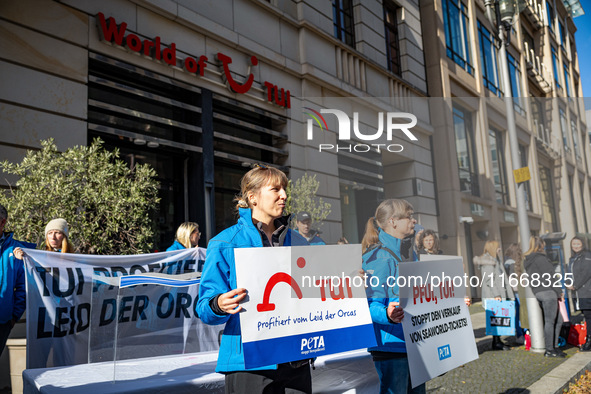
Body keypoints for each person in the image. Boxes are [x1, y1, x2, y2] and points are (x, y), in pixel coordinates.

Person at [196, 165, 310, 394]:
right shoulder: (225, 242)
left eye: (285, 189)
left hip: (295, 359)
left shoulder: (300, 242)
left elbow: (313, 294)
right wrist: (218, 304)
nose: (284, 195)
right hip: (250, 363)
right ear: (253, 197)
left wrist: (343, 280)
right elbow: (204, 307)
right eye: (276, 189)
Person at [361, 198, 424, 394]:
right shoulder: (379, 258)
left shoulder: (410, 254)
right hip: (391, 347)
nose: (414, 221)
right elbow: (369, 305)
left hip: (413, 343)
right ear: (393, 222)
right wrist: (388, 315)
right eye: (409, 217)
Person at [0, 204, 35, 353]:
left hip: (2, 321)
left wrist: (14, 316)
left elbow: (24, 285)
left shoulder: (16, 250)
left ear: (2, 222)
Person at [524, 236, 565, 358]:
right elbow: (550, 276)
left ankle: (554, 347)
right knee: (550, 321)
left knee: (558, 320)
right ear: (540, 245)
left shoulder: (529, 260)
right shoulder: (541, 259)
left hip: (539, 292)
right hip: (548, 292)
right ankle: (550, 350)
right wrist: (559, 291)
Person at [473, 240, 513, 351]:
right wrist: (497, 294)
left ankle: (498, 341)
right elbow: (489, 279)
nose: (499, 249)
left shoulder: (495, 259)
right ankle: (496, 342)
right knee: (495, 320)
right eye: (497, 247)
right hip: (493, 295)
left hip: (497, 294)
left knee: (499, 319)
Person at [567, 236, 591, 351]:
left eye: (578, 244)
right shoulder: (573, 258)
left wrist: (575, 285)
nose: (575, 246)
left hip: (587, 292)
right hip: (579, 293)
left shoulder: (587, 256)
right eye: (573, 244)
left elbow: (586, 273)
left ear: (583, 244)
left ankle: (589, 342)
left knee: (589, 316)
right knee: (587, 316)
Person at [504, 243, 527, 342]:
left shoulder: (506, 262)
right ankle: (522, 333)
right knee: (521, 312)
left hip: (511, 291)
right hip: (517, 290)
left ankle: (520, 334)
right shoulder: (513, 263)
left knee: (517, 312)